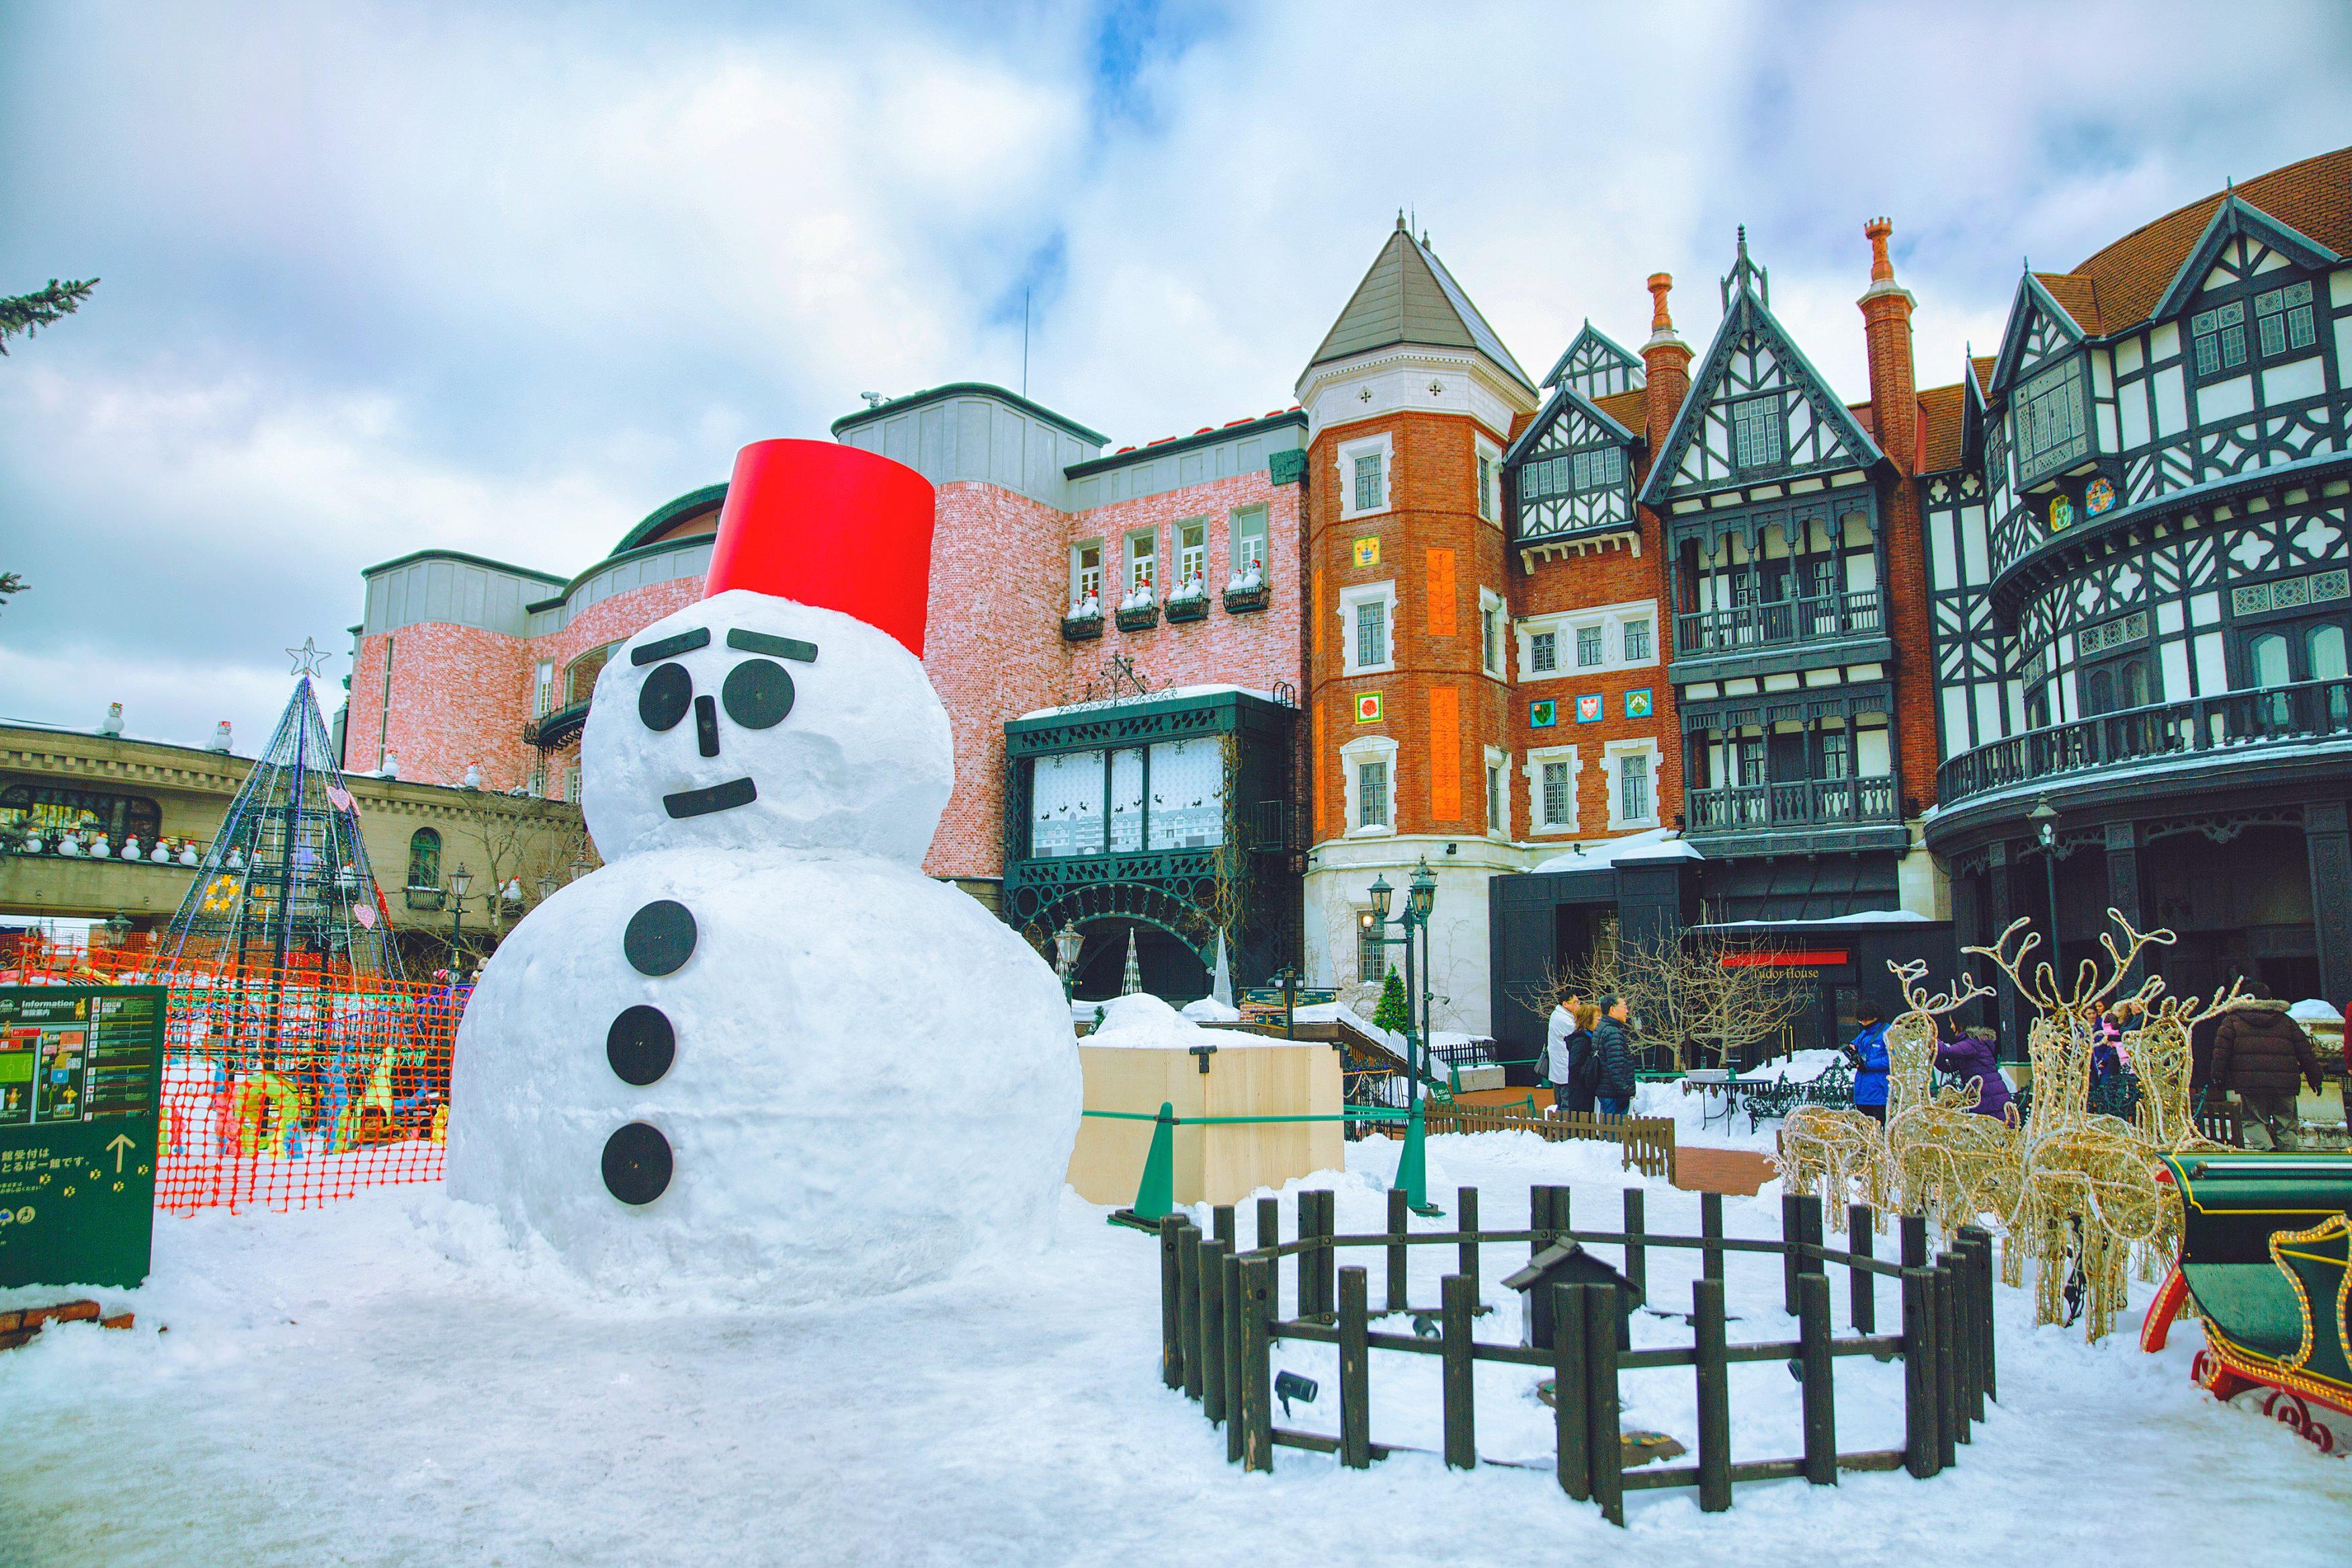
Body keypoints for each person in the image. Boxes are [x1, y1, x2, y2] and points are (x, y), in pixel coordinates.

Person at [2212, 981, 2326, 1151]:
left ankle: (2268, 1149)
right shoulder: (2286, 1022)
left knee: (2253, 1121)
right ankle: (2288, 1160)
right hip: (2284, 1083)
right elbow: (2305, 1052)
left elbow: (2221, 1053)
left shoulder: (2232, 1021)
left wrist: (2218, 1078)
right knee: (2286, 1124)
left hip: (2251, 1082)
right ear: (2270, 998)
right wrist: (2315, 1077)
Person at [1935, 1026, 2013, 1121]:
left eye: (1952, 1023)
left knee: (1993, 1126)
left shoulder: (1973, 1043)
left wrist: (1934, 1037)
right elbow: (1947, 1067)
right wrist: (1934, 1053)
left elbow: (1946, 1052)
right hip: (1985, 1096)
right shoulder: (1968, 1046)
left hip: (1988, 1096)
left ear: (1960, 1024)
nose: (1951, 1027)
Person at [1590, 996, 1636, 1117]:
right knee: (1615, 1132)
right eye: (1624, 1007)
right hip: (1614, 1093)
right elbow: (1616, 1066)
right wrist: (1625, 1092)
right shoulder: (1613, 1032)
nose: (1627, 1011)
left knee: (1609, 1131)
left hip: (1606, 1090)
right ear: (1612, 1010)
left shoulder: (1602, 1028)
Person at [1847, 1003, 1890, 1123]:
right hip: (1863, 1091)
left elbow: (1892, 1060)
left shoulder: (1888, 1033)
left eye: (1867, 1020)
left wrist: (1866, 1065)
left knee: (1879, 1128)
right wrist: (1851, 1050)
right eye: (1862, 1021)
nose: (1864, 1023)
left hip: (1879, 1094)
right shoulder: (1865, 1033)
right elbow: (1853, 1045)